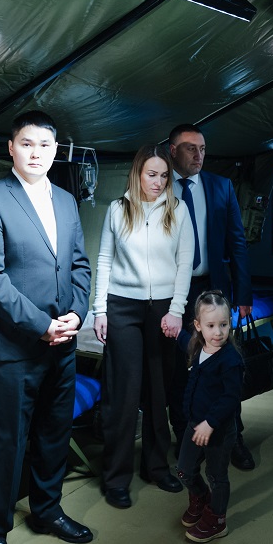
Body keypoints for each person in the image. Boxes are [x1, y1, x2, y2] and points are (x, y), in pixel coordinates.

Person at [0, 111, 93, 544]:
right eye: (26, 143)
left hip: (63, 341)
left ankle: (48, 511)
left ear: (55, 151)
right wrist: (41, 324)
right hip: (14, 346)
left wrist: (77, 313)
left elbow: (79, 265)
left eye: (44, 145)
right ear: (11, 148)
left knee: (55, 431)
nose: (36, 153)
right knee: (8, 441)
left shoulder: (66, 200)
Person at [92, 144, 194, 509]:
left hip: (163, 309)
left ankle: (156, 467)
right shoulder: (117, 209)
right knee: (123, 394)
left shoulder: (178, 210)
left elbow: (185, 263)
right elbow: (104, 259)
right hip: (122, 307)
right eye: (151, 174)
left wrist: (177, 310)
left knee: (158, 391)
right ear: (137, 174)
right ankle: (116, 478)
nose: (158, 181)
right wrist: (99, 310)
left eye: (164, 175)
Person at [167, 124, 255, 471]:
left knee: (223, 367)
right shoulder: (159, 187)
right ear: (172, 151)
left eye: (202, 148)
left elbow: (237, 243)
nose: (198, 155)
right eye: (190, 148)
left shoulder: (221, 186)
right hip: (174, 292)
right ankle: (185, 439)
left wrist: (243, 294)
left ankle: (234, 440)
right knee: (181, 369)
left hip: (213, 289)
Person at [175, 290, 244, 543]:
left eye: (224, 325)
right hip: (195, 424)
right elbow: (183, 340)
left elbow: (230, 397)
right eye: (211, 326)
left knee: (216, 476)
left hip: (219, 430)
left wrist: (211, 423)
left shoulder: (230, 360)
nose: (218, 332)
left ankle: (217, 519)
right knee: (184, 470)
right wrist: (173, 330)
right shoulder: (198, 347)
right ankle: (200, 497)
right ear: (198, 326)